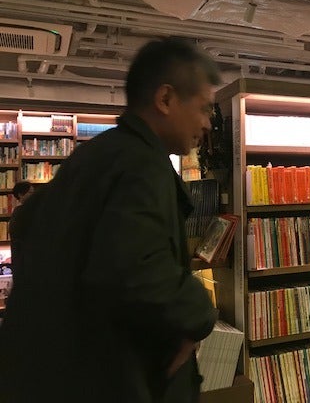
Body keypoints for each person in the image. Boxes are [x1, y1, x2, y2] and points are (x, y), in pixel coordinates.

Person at [0, 38, 219, 403]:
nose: (208, 123)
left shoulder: (97, 155)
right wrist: (199, 313)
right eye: (203, 108)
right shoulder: (142, 165)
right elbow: (136, 269)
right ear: (165, 99)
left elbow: (26, 225)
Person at [7, 181, 34, 281]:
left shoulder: (19, 211)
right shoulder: (23, 212)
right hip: (26, 260)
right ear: (20, 195)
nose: (33, 195)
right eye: (30, 192)